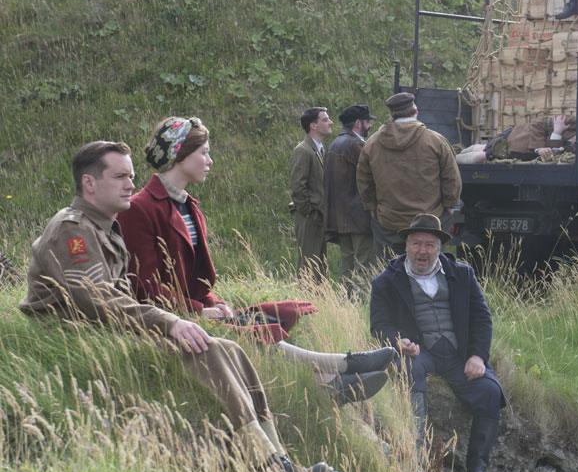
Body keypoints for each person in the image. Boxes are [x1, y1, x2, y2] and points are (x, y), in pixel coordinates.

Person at [21, 141, 345, 472]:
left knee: (230, 349)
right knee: (208, 349)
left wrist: (175, 318)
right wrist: (168, 321)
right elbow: (96, 299)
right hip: (73, 340)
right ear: (89, 184)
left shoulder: (103, 225)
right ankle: (271, 469)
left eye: (131, 175)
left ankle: (277, 458)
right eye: (120, 176)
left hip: (101, 331)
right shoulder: (74, 230)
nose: (131, 183)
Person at [118, 117, 393, 406]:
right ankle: (341, 367)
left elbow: (196, 280)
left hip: (193, 310)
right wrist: (200, 310)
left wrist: (214, 302)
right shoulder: (140, 208)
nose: (210, 160)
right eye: (204, 153)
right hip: (170, 318)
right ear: (180, 154)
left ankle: (331, 379)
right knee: (254, 331)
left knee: (278, 313)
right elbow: (144, 287)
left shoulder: (188, 205)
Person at [369, 214, 505, 472]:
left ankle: (477, 470)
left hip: (458, 354)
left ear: (439, 248)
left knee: (491, 391)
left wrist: (478, 356)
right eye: (416, 243)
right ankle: (415, 457)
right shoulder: (386, 280)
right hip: (421, 351)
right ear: (406, 245)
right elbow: (379, 325)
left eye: (429, 245)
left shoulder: (462, 274)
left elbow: (482, 318)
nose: (422, 251)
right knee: (409, 368)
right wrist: (399, 341)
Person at [357, 92, 462, 257]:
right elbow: (451, 178)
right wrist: (449, 206)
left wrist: (371, 207)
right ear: (415, 111)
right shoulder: (435, 141)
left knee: (388, 271)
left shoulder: (372, 144)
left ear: (392, 114)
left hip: (388, 223)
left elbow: (364, 181)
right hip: (430, 221)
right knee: (427, 269)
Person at [324, 104, 377, 280]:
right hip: (359, 217)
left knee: (347, 265)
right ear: (357, 123)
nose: (370, 126)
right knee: (364, 265)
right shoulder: (356, 145)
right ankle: (361, 303)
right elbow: (371, 178)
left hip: (341, 218)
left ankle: (346, 303)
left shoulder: (334, 144)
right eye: (368, 122)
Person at [289, 107, 332, 278]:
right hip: (310, 217)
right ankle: (304, 300)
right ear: (313, 125)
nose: (330, 122)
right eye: (325, 119)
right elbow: (298, 186)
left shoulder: (320, 149)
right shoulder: (303, 150)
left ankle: (319, 301)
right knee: (308, 263)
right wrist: (309, 211)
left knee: (320, 263)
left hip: (319, 216)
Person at [456, 115, 576, 164]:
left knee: (483, 153)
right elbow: (537, 123)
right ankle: (452, 158)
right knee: (483, 153)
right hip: (518, 138)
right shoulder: (572, 122)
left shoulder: (577, 147)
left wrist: (557, 133)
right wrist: (538, 147)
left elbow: (554, 152)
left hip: (524, 154)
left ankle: (453, 157)